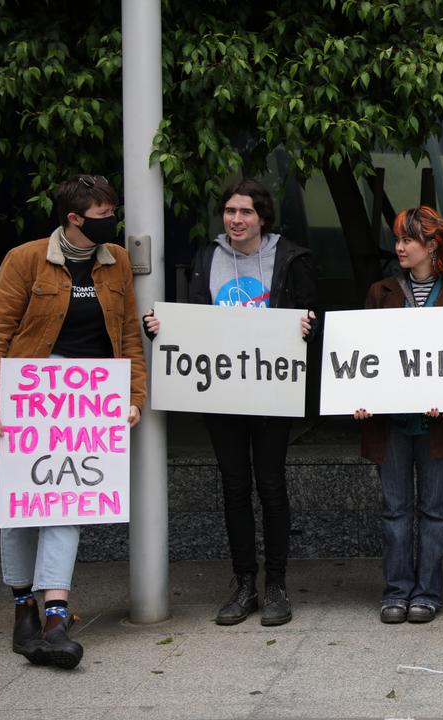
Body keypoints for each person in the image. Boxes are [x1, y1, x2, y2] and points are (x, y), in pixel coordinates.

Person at [0, 174, 145, 668]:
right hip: (31, 398)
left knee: (66, 502)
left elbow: (128, 335)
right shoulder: (25, 259)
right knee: (23, 508)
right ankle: (23, 607)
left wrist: (133, 395)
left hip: (87, 403)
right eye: (103, 215)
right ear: (74, 218)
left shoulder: (117, 264)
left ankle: (54, 615)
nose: (112, 221)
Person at [144, 178, 316, 627]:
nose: (236, 220)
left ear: (263, 217)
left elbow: (314, 316)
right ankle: (244, 585)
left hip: (271, 390)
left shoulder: (290, 258)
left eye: (245, 212)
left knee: (272, 486)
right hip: (222, 393)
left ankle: (275, 585)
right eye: (230, 211)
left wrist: (308, 329)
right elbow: (193, 318)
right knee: (234, 487)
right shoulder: (207, 257)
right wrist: (162, 329)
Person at [354, 206, 443, 624]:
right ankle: (397, 591)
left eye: (407, 240)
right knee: (395, 509)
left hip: (438, 424)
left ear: (432, 245)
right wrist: (358, 393)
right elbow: (362, 354)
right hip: (390, 423)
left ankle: (427, 592)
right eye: (399, 239)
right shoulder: (381, 292)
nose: (399, 247)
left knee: (435, 510)